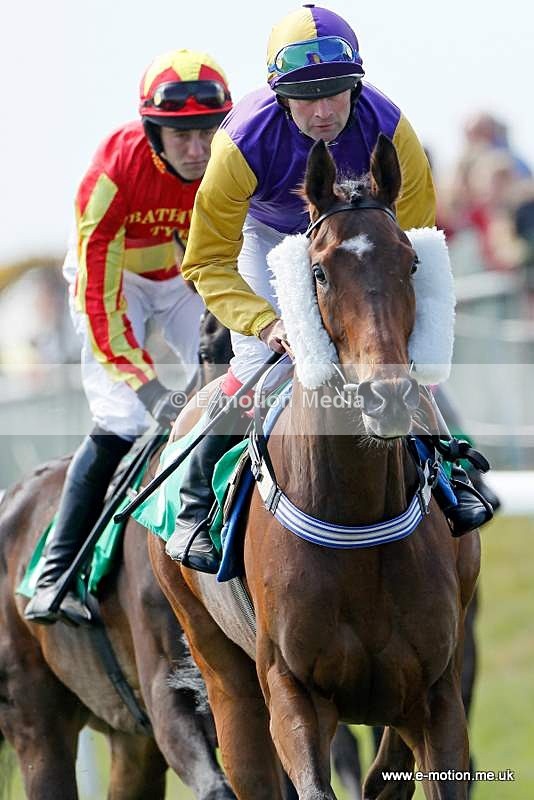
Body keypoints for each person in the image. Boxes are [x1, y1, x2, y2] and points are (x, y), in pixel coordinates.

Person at [165, 4, 493, 573]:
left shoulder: (392, 130)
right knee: (254, 363)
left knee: (400, 353)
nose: (322, 112)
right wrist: (266, 324)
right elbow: (206, 260)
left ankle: (450, 472)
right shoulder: (239, 144)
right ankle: (195, 503)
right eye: (305, 96)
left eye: (336, 93)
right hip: (267, 238)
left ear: (356, 86)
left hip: (360, 231)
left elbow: (414, 238)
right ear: (278, 95)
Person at [24, 49, 233, 625]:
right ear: (151, 131)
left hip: (185, 270)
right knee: (124, 419)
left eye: (208, 133)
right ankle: (55, 575)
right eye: (180, 136)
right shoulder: (113, 173)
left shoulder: (232, 160)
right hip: (115, 281)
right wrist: (147, 388)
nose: (197, 151)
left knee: (238, 375)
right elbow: (99, 298)